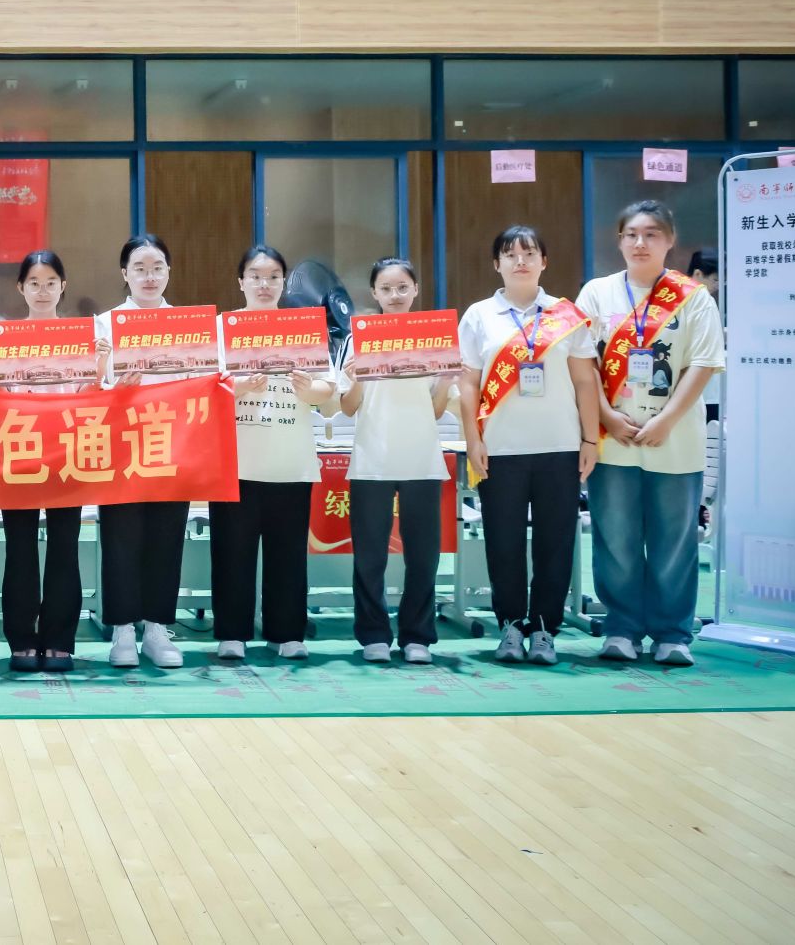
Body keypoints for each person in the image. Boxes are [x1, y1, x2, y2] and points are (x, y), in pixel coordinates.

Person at [578, 202, 724, 667]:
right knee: (615, 537)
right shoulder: (597, 293)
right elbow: (582, 364)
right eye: (632, 234)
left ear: (670, 240)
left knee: (674, 539)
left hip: (675, 438)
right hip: (613, 437)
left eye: (652, 234)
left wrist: (666, 420)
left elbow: (703, 363)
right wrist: (606, 416)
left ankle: (672, 633)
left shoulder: (693, 297)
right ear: (620, 240)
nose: (641, 243)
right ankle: (621, 628)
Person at [457, 225, 600, 666]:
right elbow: (468, 383)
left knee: (555, 543)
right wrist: (473, 439)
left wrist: (590, 438)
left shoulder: (565, 315)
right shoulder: (479, 316)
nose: (520, 261)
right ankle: (510, 626)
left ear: (544, 262)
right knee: (503, 543)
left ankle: (543, 629)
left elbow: (585, 381)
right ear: (496, 264)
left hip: (559, 446)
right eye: (510, 254)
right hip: (500, 449)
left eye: (530, 253)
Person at [211, 245, 336, 663]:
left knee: (288, 553)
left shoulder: (303, 327)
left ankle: (287, 633)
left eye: (273, 277)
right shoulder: (222, 328)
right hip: (236, 462)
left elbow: (328, 390)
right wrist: (238, 387)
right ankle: (232, 634)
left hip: (290, 460)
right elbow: (208, 388)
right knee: (232, 552)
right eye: (255, 276)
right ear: (241, 281)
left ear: (284, 282)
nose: (264, 285)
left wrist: (309, 389)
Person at [336, 258, 452, 666]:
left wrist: (448, 379)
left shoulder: (433, 336)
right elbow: (347, 408)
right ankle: (373, 635)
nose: (395, 295)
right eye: (386, 289)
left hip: (422, 459)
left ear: (416, 289)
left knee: (423, 556)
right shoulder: (358, 338)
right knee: (370, 556)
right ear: (374, 293)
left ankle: (417, 636)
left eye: (403, 287)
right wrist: (356, 379)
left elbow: (436, 410)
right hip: (373, 460)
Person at [94, 233, 198, 669]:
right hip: (121, 446)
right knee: (120, 537)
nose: (149, 276)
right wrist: (113, 382)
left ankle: (157, 629)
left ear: (169, 271)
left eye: (157, 268)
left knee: (166, 537)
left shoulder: (189, 325)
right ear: (125, 274)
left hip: (172, 443)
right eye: (139, 268)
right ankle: (122, 631)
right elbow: (91, 390)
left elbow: (204, 381)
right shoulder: (104, 324)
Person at [0, 250, 84, 674]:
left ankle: (59, 640)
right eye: (34, 282)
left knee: (65, 547)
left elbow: (90, 396)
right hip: (20, 451)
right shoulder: (4, 338)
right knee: (20, 548)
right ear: (21, 288)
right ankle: (21, 639)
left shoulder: (81, 339)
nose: (43, 290)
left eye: (51, 282)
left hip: (69, 452)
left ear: (63, 286)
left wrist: (100, 364)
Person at [686, 247, 722, 424]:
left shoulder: (702, 300)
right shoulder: (701, 300)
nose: (718, 285)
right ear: (698, 274)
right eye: (715, 279)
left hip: (704, 385)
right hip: (695, 384)